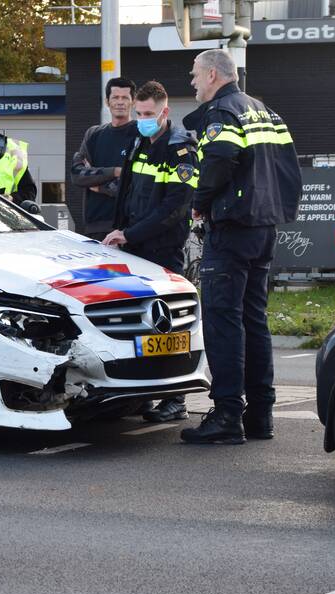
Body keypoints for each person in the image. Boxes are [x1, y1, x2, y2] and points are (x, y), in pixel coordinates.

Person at [179, 49, 303, 445]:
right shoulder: (266, 111)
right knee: (254, 321)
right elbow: (287, 166)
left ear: (214, 74)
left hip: (232, 228)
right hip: (264, 226)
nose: (193, 82)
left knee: (222, 322)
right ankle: (260, 416)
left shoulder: (222, 112)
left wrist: (199, 204)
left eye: (196, 75)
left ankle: (228, 414)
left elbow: (218, 160)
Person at [102, 80, 199, 423]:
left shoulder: (181, 148)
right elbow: (127, 194)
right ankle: (143, 393)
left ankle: (175, 399)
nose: (142, 119)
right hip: (133, 247)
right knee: (138, 324)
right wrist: (118, 235)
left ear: (165, 112)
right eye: (138, 113)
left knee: (168, 325)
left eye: (148, 114)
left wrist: (128, 234)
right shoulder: (138, 142)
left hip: (162, 250)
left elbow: (174, 207)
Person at [70, 77, 139, 241]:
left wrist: (99, 186)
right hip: (94, 226)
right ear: (107, 101)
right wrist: (115, 172)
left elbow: (137, 185)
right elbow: (77, 174)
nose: (120, 102)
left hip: (127, 228)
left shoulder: (140, 135)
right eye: (115, 97)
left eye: (125, 98)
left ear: (133, 102)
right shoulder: (94, 134)